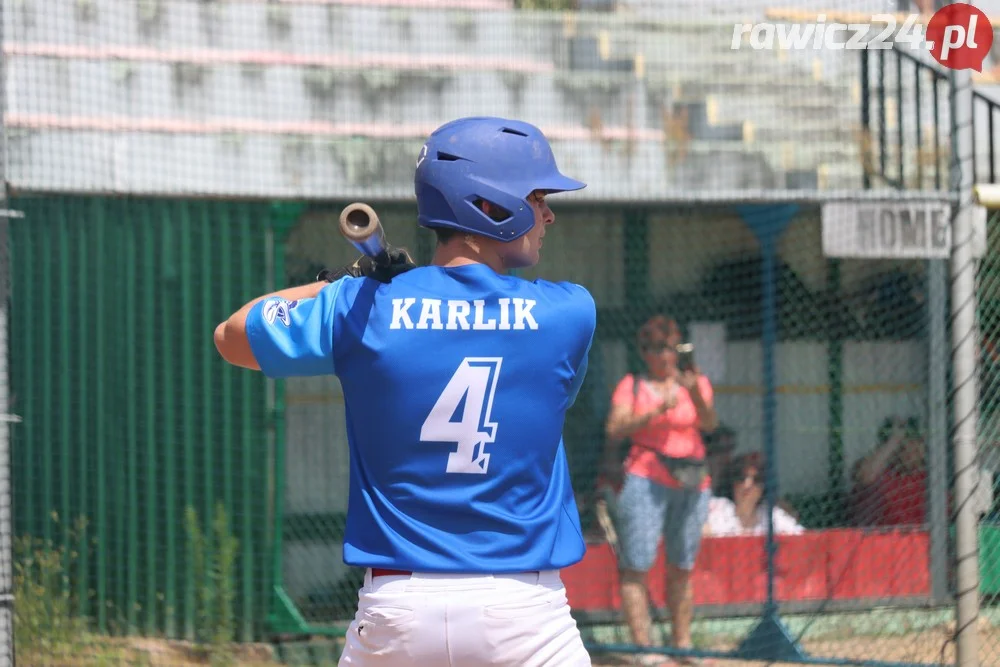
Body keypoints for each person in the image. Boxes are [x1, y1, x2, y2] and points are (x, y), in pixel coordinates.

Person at [214, 117, 596, 667]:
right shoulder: (569, 313)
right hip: (524, 614)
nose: (548, 213)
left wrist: (344, 287)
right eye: (536, 197)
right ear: (490, 207)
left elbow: (231, 336)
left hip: (396, 612)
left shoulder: (360, 307)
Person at [600, 315, 718, 667]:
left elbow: (710, 424)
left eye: (669, 349)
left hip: (692, 480)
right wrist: (654, 411)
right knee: (636, 564)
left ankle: (682, 645)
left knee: (682, 565)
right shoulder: (632, 385)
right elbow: (614, 428)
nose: (663, 357)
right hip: (645, 477)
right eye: (655, 350)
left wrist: (695, 393)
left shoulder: (693, 383)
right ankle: (644, 650)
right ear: (644, 352)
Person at [704, 452, 804, 538]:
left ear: (764, 487)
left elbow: (800, 537)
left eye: (756, 480)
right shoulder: (719, 508)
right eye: (741, 478)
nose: (747, 485)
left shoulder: (771, 515)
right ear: (732, 482)